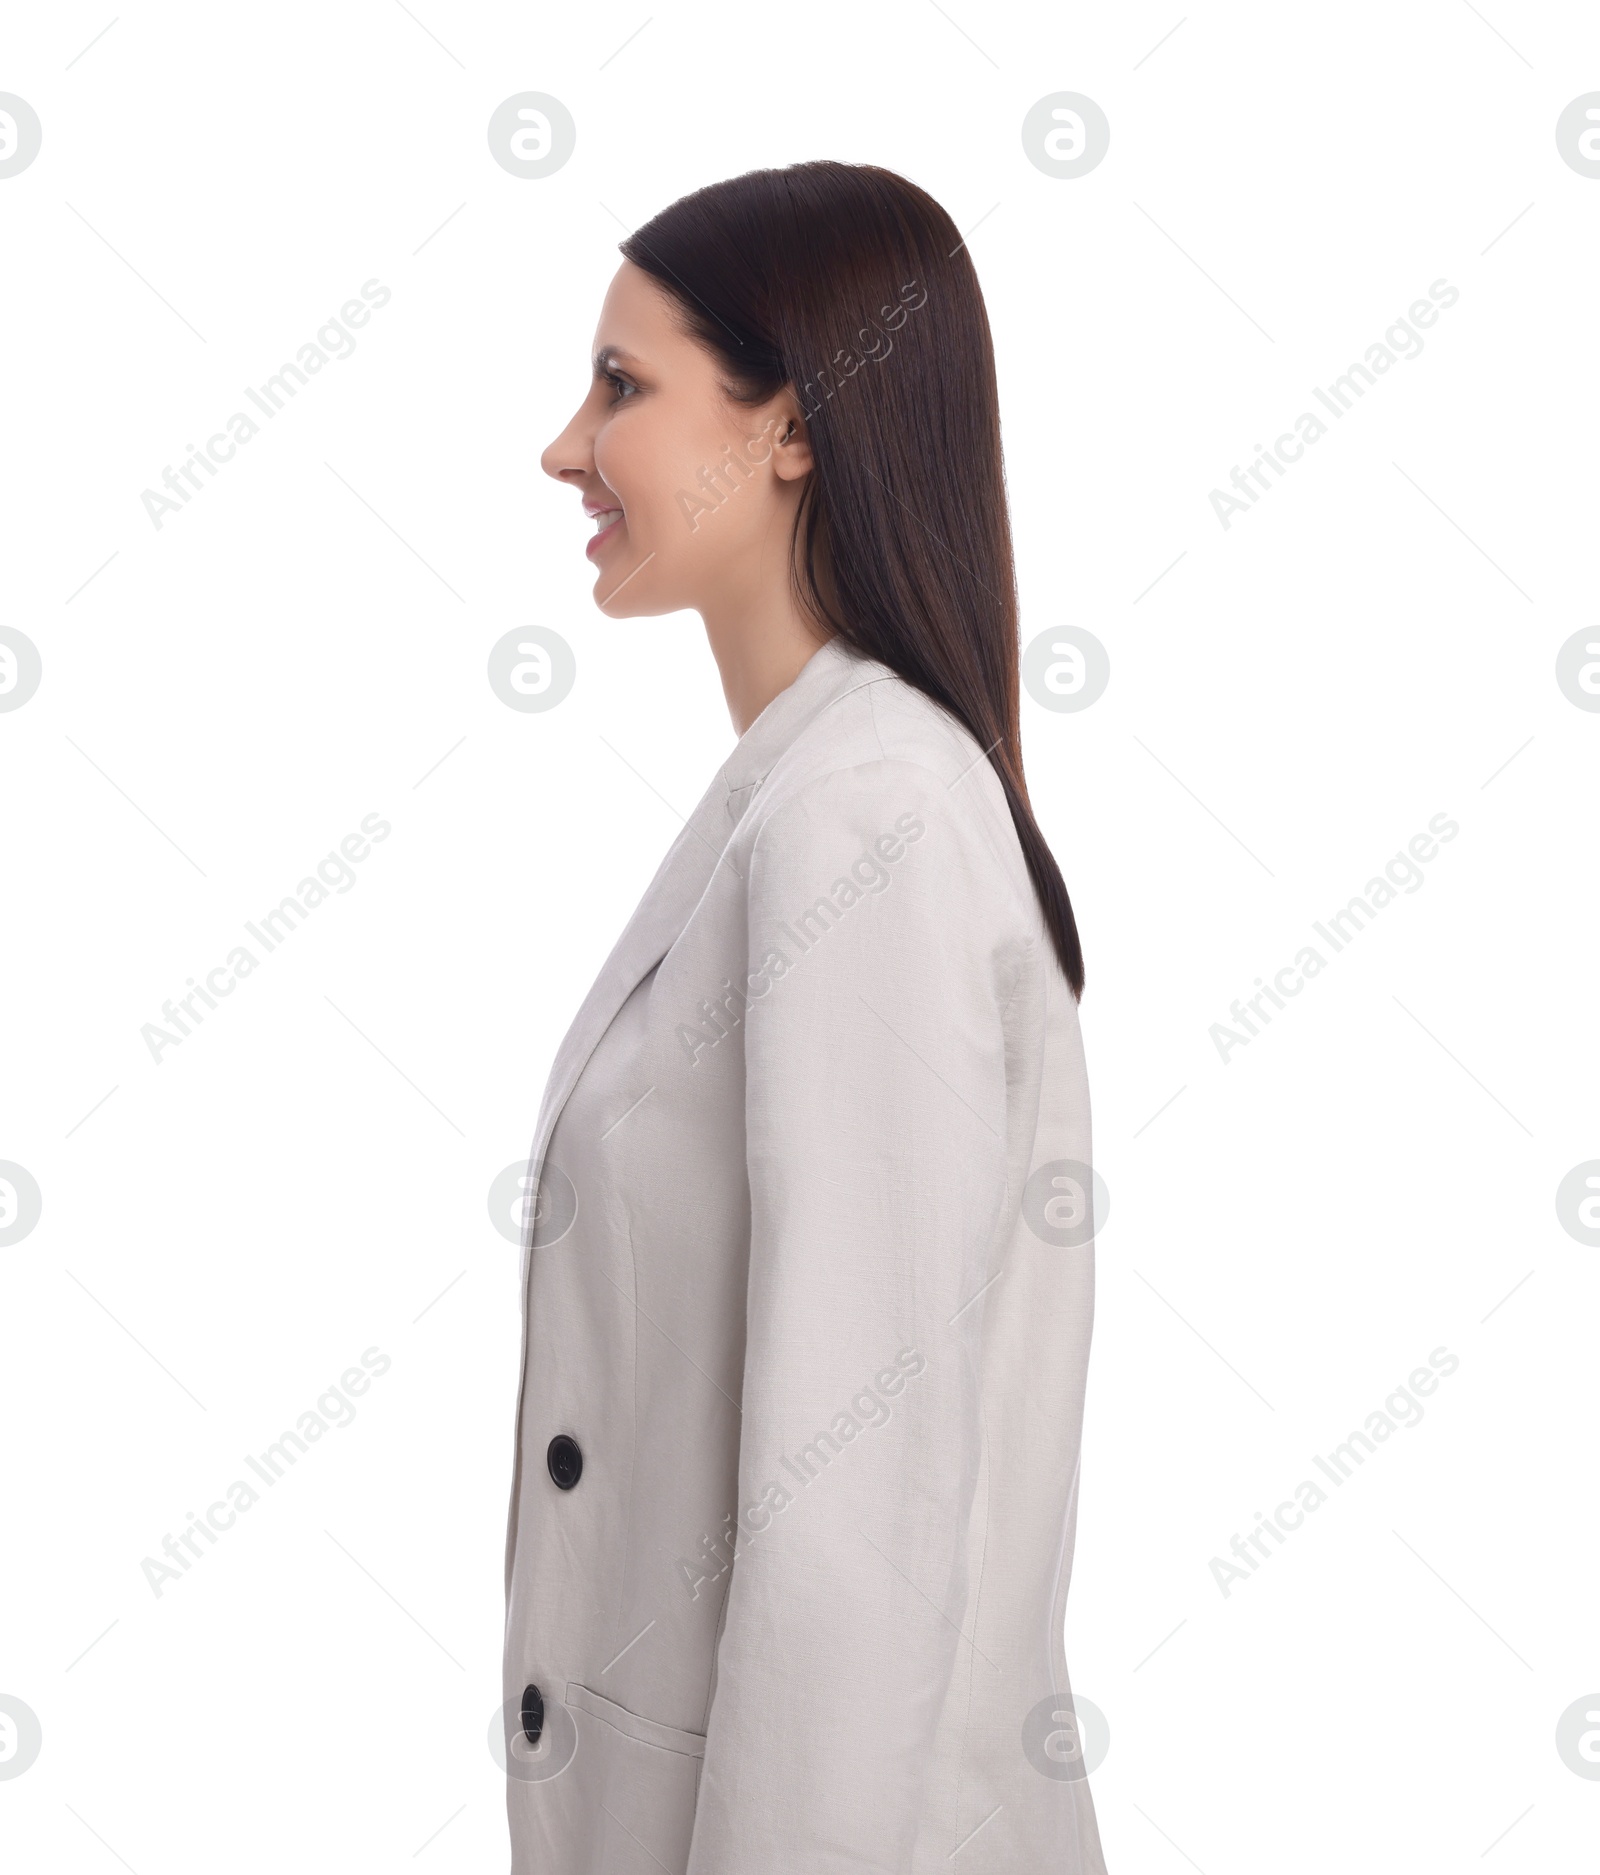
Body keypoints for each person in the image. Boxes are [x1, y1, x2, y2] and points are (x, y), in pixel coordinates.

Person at [504, 159, 1107, 1875]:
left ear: (789, 428)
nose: (566, 447)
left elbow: (855, 1509)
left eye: (624, 387)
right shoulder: (819, 793)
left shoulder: (869, 822)